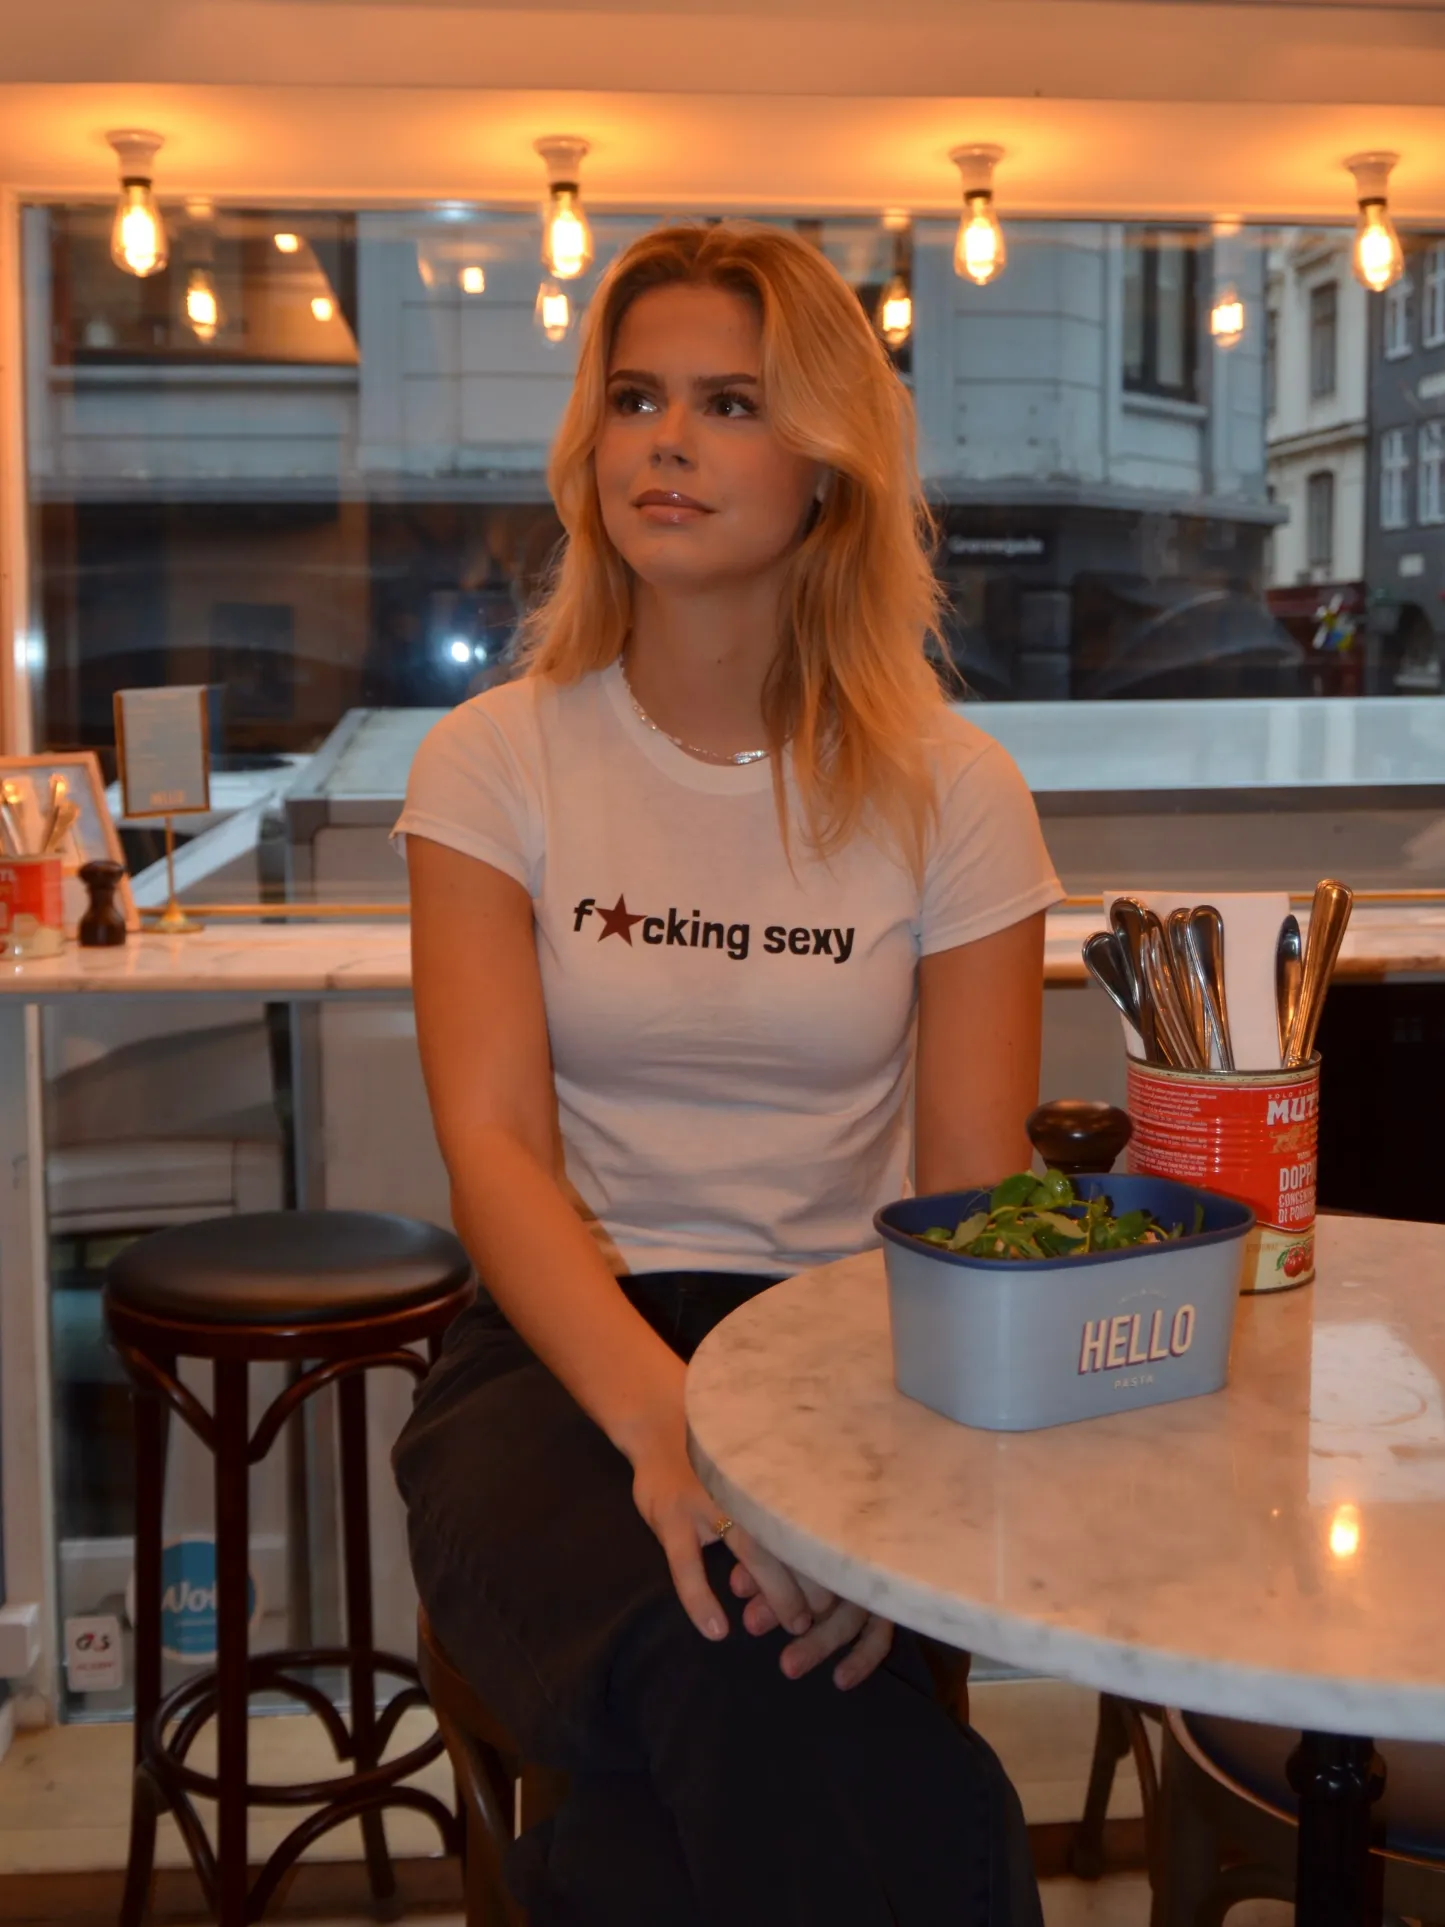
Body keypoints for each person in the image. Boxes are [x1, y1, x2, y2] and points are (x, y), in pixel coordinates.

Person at [392, 220, 1062, 1926]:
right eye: (635, 398)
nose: (666, 442)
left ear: (828, 469)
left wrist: (886, 1502)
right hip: (557, 1365)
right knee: (754, 1657)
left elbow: (970, 1197)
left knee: (693, 1753)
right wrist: (670, 1433)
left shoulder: (958, 794)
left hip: (846, 1365)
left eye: (730, 402)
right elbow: (493, 1149)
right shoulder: (493, 763)